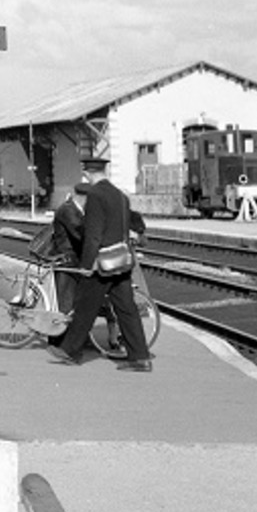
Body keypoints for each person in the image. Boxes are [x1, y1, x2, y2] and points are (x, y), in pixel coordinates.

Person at [49, 157, 153, 372]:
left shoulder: (96, 196)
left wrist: (87, 264)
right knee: (126, 309)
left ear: (88, 173)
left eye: (85, 172)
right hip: (121, 261)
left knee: (85, 306)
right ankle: (140, 357)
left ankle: (70, 351)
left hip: (102, 264)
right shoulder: (120, 195)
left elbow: (93, 234)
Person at [47, 185, 85, 312]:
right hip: (68, 260)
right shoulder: (67, 210)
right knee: (66, 302)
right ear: (84, 198)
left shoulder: (76, 210)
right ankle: (62, 330)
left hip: (75, 258)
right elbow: (79, 232)